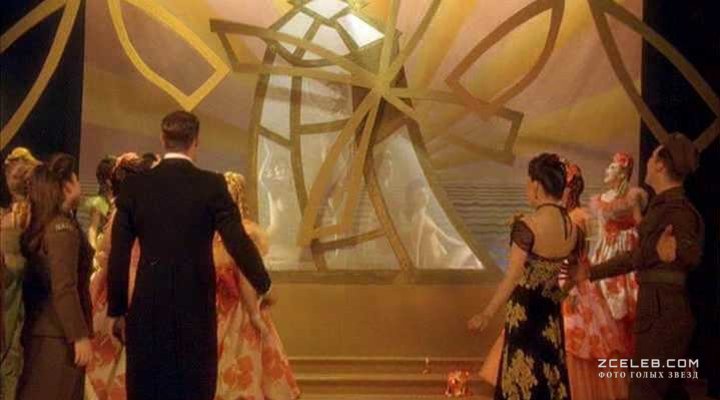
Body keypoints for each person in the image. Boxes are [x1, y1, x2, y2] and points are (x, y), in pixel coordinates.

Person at [107, 111, 272, 400]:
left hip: (148, 307)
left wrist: (117, 309)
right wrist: (263, 282)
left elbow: (119, 253)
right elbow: (237, 240)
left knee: (147, 388)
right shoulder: (212, 185)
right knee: (194, 388)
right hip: (195, 307)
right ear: (196, 141)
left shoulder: (136, 187)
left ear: (163, 140)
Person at [574, 133, 704, 400]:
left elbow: (691, 251)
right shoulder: (661, 206)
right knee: (665, 390)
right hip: (657, 309)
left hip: (663, 313)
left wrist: (677, 252)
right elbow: (639, 255)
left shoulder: (677, 209)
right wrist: (591, 272)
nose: (648, 161)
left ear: (661, 165)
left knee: (646, 390)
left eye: (653, 156)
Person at [468, 153, 583, 400]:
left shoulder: (527, 225)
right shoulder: (574, 229)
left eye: (528, 181)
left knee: (521, 378)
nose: (527, 187)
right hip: (550, 310)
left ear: (537, 186)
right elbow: (577, 273)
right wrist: (559, 294)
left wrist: (487, 313)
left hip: (525, 310)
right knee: (549, 374)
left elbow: (513, 276)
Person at [214, 172, 299, 399]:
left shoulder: (219, 234)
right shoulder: (240, 234)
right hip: (236, 309)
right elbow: (244, 277)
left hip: (224, 310)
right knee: (239, 364)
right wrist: (253, 313)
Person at [18, 153, 93, 400]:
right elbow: (64, 287)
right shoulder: (62, 229)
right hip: (58, 336)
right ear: (68, 185)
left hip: (45, 330)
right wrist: (78, 335)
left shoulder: (46, 224)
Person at [561, 161, 629, 399]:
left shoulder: (578, 216)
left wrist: (570, 289)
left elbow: (577, 256)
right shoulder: (564, 215)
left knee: (575, 336)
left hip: (572, 282)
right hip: (561, 278)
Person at [589, 153, 647, 350]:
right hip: (606, 249)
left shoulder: (631, 196)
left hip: (624, 248)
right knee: (602, 292)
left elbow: (640, 224)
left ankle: (627, 350)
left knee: (624, 297)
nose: (607, 170)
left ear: (622, 173)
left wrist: (629, 237)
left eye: (612, 167)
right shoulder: (601, 199)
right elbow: (600, 229)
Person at [1, 148, 39, 400]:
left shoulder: (26, 215)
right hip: (9, 290)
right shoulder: (11, 214)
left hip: (17, 291)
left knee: (13, 351)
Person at [87, 156, 116, 254]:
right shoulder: (99, 202)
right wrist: (94, 253)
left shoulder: (120, 198)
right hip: (104, 249)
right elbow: (93, 229)